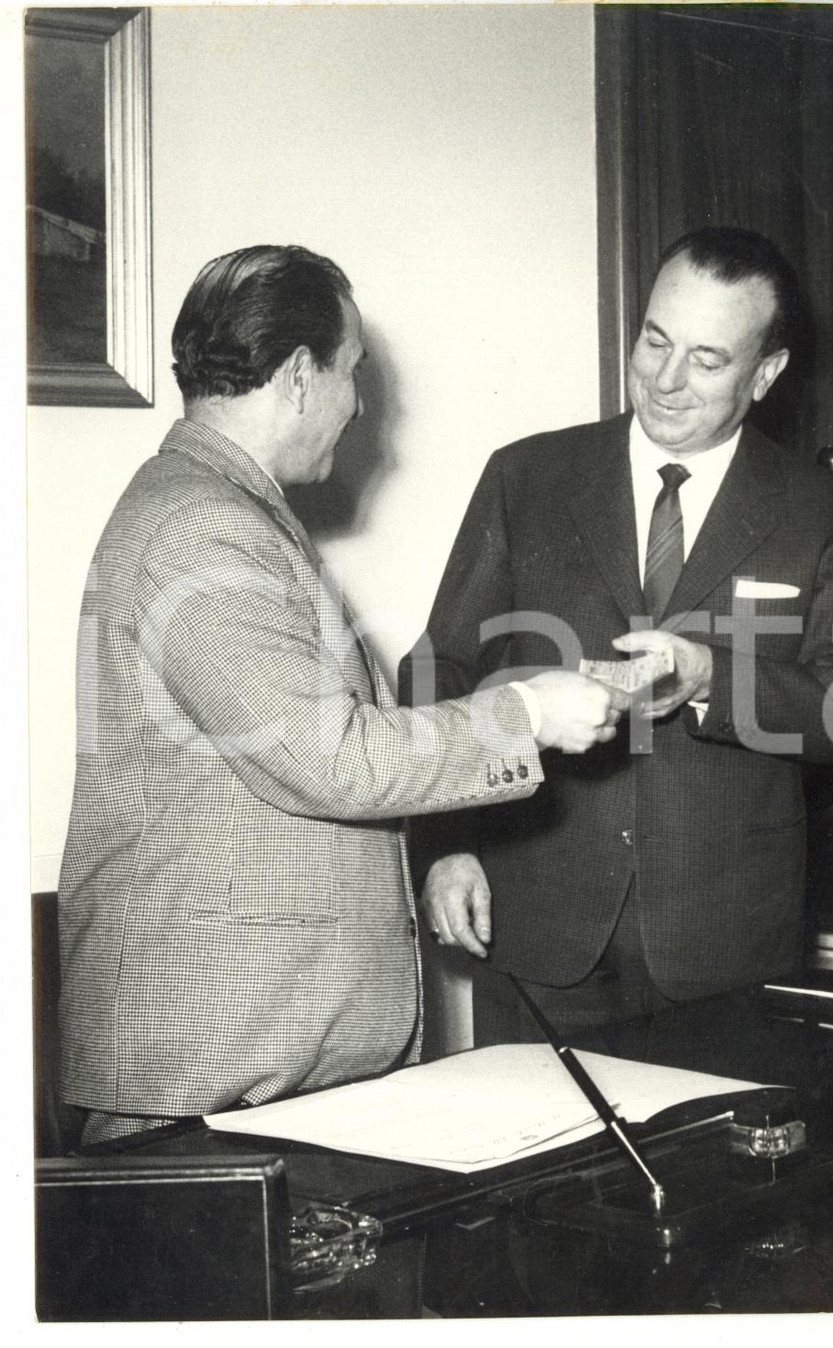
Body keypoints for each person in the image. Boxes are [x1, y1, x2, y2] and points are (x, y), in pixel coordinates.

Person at [57, 244, 627, 1144]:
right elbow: (330, 760)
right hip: (216, 1069)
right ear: (296, 375)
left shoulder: (216, 508)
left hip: (251, 1060)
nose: (360, 404)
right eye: (352, 372)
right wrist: (529, 715)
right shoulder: (201, 527)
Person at [400, 227, 833, 1059]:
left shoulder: (824, 512)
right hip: (537, 926)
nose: (665, 380)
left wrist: (710, 676)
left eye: (707, 359)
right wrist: (446, 849)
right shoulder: (527, 478)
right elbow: (438, 670)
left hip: (727, 948)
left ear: (765, 374)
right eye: (656, 341)